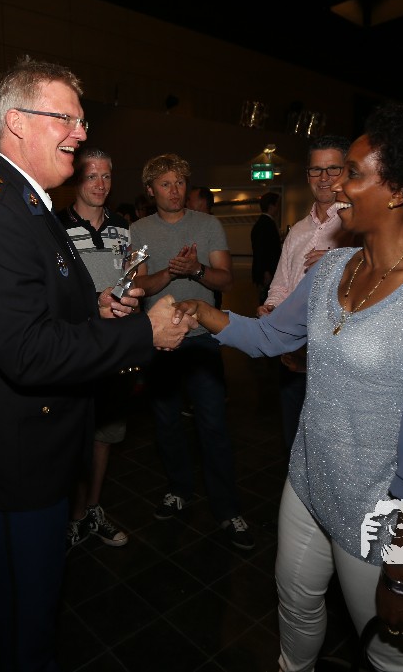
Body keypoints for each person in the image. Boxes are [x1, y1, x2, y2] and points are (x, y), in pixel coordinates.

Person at [172, 101, 403, 671]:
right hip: (308, 481)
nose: (337, 188)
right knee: (295, 605)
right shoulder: (333, 269)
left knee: (390, 657)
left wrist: (401, 573)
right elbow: (270, 336)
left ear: (399, 189)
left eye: (352, 174)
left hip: (378, 513)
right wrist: (201, 312)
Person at [0, 55, 192, 672]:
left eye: (81, 120)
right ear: (16, 123)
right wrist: (141, 334)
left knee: (3, 576)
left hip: (27, 441)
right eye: (65, 119)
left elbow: (41, 304)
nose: (80, 133)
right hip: (14, 458)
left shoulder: (26, 199)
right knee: (31, 613)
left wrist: (95, 308)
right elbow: (26, 351)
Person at [129, 153, 255, 550]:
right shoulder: (138, 230)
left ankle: (227, 508)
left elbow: (226, 279)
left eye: (180, 183)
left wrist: (196, 270)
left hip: (202, 338)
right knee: (166, 423)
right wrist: (172, 271)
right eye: (165, 184)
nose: (174, 190)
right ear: (150, 191)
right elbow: (140, 287)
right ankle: (178, 490)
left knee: (213, 425)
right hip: (161, 341)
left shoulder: (208, 224)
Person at [56, 147, 133, 550]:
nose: (100, 184)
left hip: (113, 348)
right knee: (72, 436)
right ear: (76, 180)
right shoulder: (56, 227)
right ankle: (70, 516)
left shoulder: (122, 227)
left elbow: (126, 279)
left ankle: (92, 509)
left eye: (106, 176)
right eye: (91, 176)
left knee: (105, 434)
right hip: (74, 348)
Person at [259, 134, 354, 449]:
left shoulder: (358, 226)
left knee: (334, 448)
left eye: (333, 169)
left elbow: (384, 275)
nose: (324, 178)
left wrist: (339, 261)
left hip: (340, 359)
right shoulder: (298, 231)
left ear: (348, 172)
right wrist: (272, 308)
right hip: (295, 354)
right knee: (294, 443)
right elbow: (281, 285)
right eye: (316, 170)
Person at [251, 190, 282, 305]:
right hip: (267, 272)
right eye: (277, 205)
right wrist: (266, 272)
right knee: (266, 302)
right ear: (271, 206)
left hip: (264, 271)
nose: (278, 208)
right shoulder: (266, 224)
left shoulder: (262, 223)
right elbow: (262, 250)